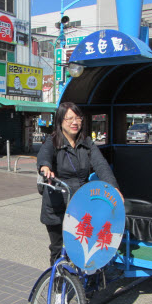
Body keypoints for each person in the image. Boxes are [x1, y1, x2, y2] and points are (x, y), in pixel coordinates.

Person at [37, 102, 119, 266]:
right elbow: (44, 155)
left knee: (82, 247)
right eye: (69, 118)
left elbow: (101, 165)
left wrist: (114, 188)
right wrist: (45, 166)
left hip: (80, 203)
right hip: (57, 204)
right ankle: (60, 284)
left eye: (78, 118)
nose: (75, 122)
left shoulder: (87, 143)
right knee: (58, 249)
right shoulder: (52, 142)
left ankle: (82, 282)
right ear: (60, 121)